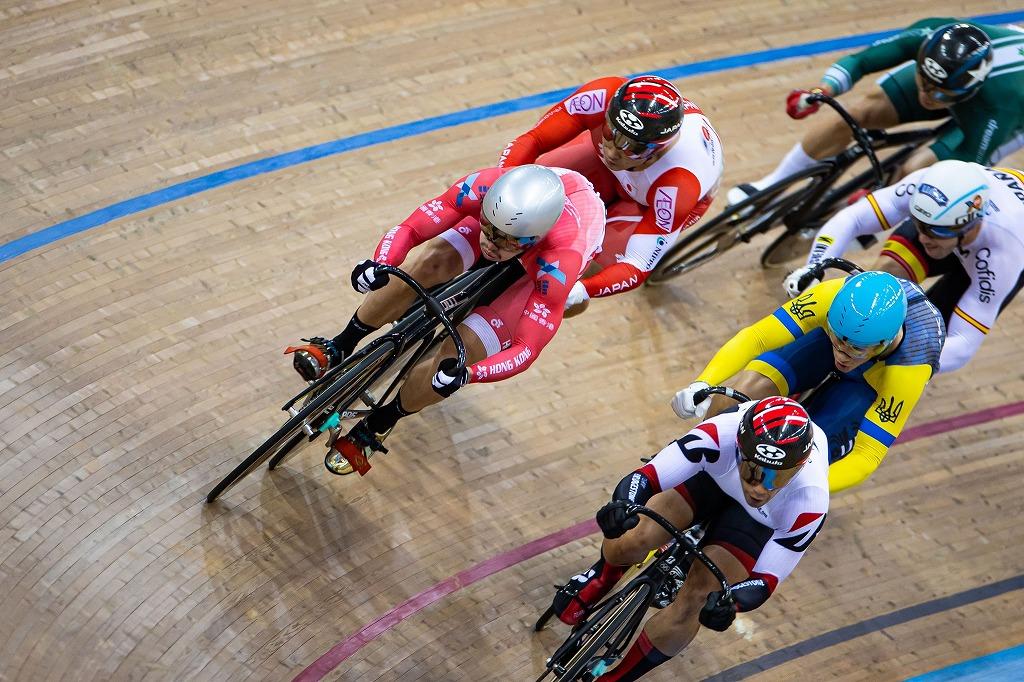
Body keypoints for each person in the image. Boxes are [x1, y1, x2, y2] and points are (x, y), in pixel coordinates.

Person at [286, 164, 605, 474]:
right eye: (489, 229)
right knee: (429, 264)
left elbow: (526, 349)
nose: (492, 244)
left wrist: (469, 374)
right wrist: (378, 265)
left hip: (544, 262)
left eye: (507, 241)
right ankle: (341, 344)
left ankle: (383, 420)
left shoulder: (559, 260)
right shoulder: (481, 187)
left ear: (534, 238)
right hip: (525, 217)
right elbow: (411, 229)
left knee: (464, 348)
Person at [550, 397, 829, 681]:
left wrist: (729, 603)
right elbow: (645, 478)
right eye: (753, 472)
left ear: (799, 468)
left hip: (757, 521)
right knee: (634, 535)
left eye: (776, 479)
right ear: (738, 448)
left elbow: (767, 579)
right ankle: (603, 576)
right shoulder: (719, 434)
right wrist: (623, 506)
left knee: (697, 599)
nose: (759, 490)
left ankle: (617, 678)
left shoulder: (810, 499)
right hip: (713, 478)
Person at [671, 270, 945, 493]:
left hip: (872, 380)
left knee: (798, 462)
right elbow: (756, 338)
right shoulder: (828, 296)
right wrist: (703, 382)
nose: (842, 356)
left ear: (884, 343)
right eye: (839, 343)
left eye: (855, 350)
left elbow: (867, 455)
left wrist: (807, 487)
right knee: (731, 400)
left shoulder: (911, 367)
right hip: (821, 342)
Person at [728, 19, 1024, 205]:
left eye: (939, 94)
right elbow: (862, 61)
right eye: (923, 81)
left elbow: (969, 163)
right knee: (859, 112)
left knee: (917, 170)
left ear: (968, 90)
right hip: (960, 82)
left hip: (1003, 117)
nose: (926, 96)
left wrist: (887, 198)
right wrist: (824, 92)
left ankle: (870, 220)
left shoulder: (1001, 103)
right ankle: (770, 186)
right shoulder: (933, 33)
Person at [498, 75, 723, 313]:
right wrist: (500, 182)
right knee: (535, 180)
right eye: (611, 132)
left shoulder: (678, 183)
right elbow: (534, 140)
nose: (615, 151)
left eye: (633, 148)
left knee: (574, 276)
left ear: (659, 150)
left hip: (647, 203)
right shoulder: (601, 96)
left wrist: (586, 288)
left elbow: (636, 265)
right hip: (609, 168)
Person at [784, 160, 1024, 373]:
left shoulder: (1003, 254)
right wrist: (814, 268)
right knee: (879, 284)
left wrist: (892, 352)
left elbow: (962, 343)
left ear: (967, 226)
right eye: (919, 224)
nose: (923, 237)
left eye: (934, 230)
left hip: (999, 247)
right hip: (969, 222)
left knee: (928, 332)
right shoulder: (927, 186)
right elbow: (852, 219)